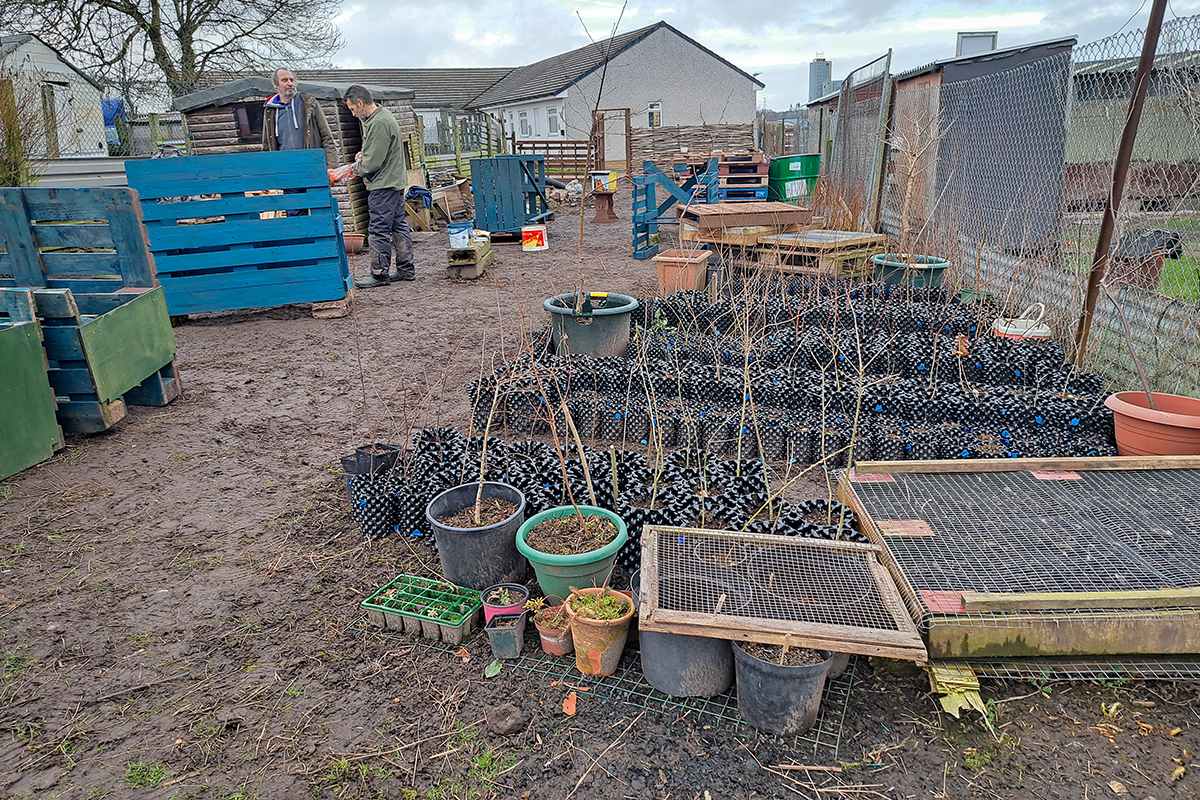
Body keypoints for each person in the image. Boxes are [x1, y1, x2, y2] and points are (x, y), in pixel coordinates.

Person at [343, 84, 415, 287]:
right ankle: (406, 269)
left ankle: (380, 273)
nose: (353, 113)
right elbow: (377, 151)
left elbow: (374, 162)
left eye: (352, 109)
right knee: (398, 225)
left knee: (378, 229)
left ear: (359, 103)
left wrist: (352, 170)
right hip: (394, 182)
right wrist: (363, 154)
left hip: (383, 185)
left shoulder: (379, 123)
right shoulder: (382, 117)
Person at [262, 68, 336, 216]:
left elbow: (327, 137)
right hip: (289, 172)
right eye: (284, 80)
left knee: (320, 212)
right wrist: (267, 176)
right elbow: (266, 145)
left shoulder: (308, 103)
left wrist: (331, 167)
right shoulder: (270, 110)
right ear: (275, 85)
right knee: (295, 214)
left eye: (292, 80)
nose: (290, 83)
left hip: (313, 168)